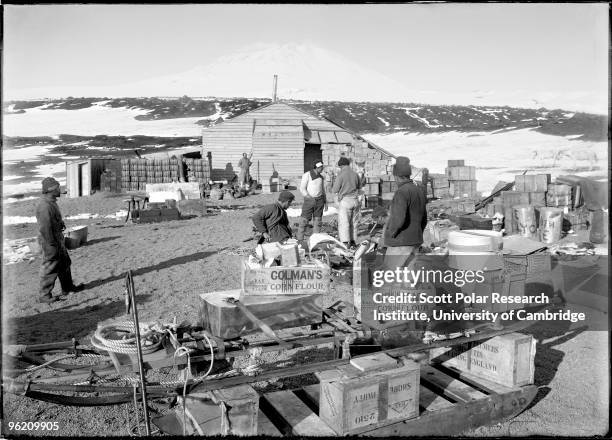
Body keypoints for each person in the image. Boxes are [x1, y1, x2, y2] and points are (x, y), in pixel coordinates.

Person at [36, 177, 84, 304]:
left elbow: (53, 220)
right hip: (50, 241)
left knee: (64, 263)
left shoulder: (51, 202)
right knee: (50, 267)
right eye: (57, 188)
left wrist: (60, 223)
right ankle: (44, 296)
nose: (59, 190)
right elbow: (45, 227)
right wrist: (51, 244)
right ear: (51, 190)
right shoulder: (44, 206)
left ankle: (67, 288)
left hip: (57, 239)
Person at [383, 157, 428, 269]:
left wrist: (390, 233)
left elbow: (398, 219)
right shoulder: (418, 191)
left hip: (401, 242)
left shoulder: (402, 192)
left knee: (391, 274)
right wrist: (418, 232)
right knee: (408, 276)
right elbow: (424, 218)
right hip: (415, 240)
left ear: (397, 176)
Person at [332, 157, 363, 248]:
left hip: (345, 201)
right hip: (355, 200)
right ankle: (353, 241)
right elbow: (359, 187)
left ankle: (345, 243)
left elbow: (335, 189)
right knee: (354, 222)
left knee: (344, 223)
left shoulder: (341, 175)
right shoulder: (355, 174)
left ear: (341, 165)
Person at [297, 161, 327, 243]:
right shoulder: (307, 175)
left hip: (319, 201)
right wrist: (308, 197)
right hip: (309, 200)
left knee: (318, 222)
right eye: (321, 167)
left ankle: (315, 240)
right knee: (304, 221)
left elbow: (323, 190)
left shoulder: (321, 176)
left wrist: (325, 202)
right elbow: (302, 188)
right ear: (317, 167)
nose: (322, 169)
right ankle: (300, 240)